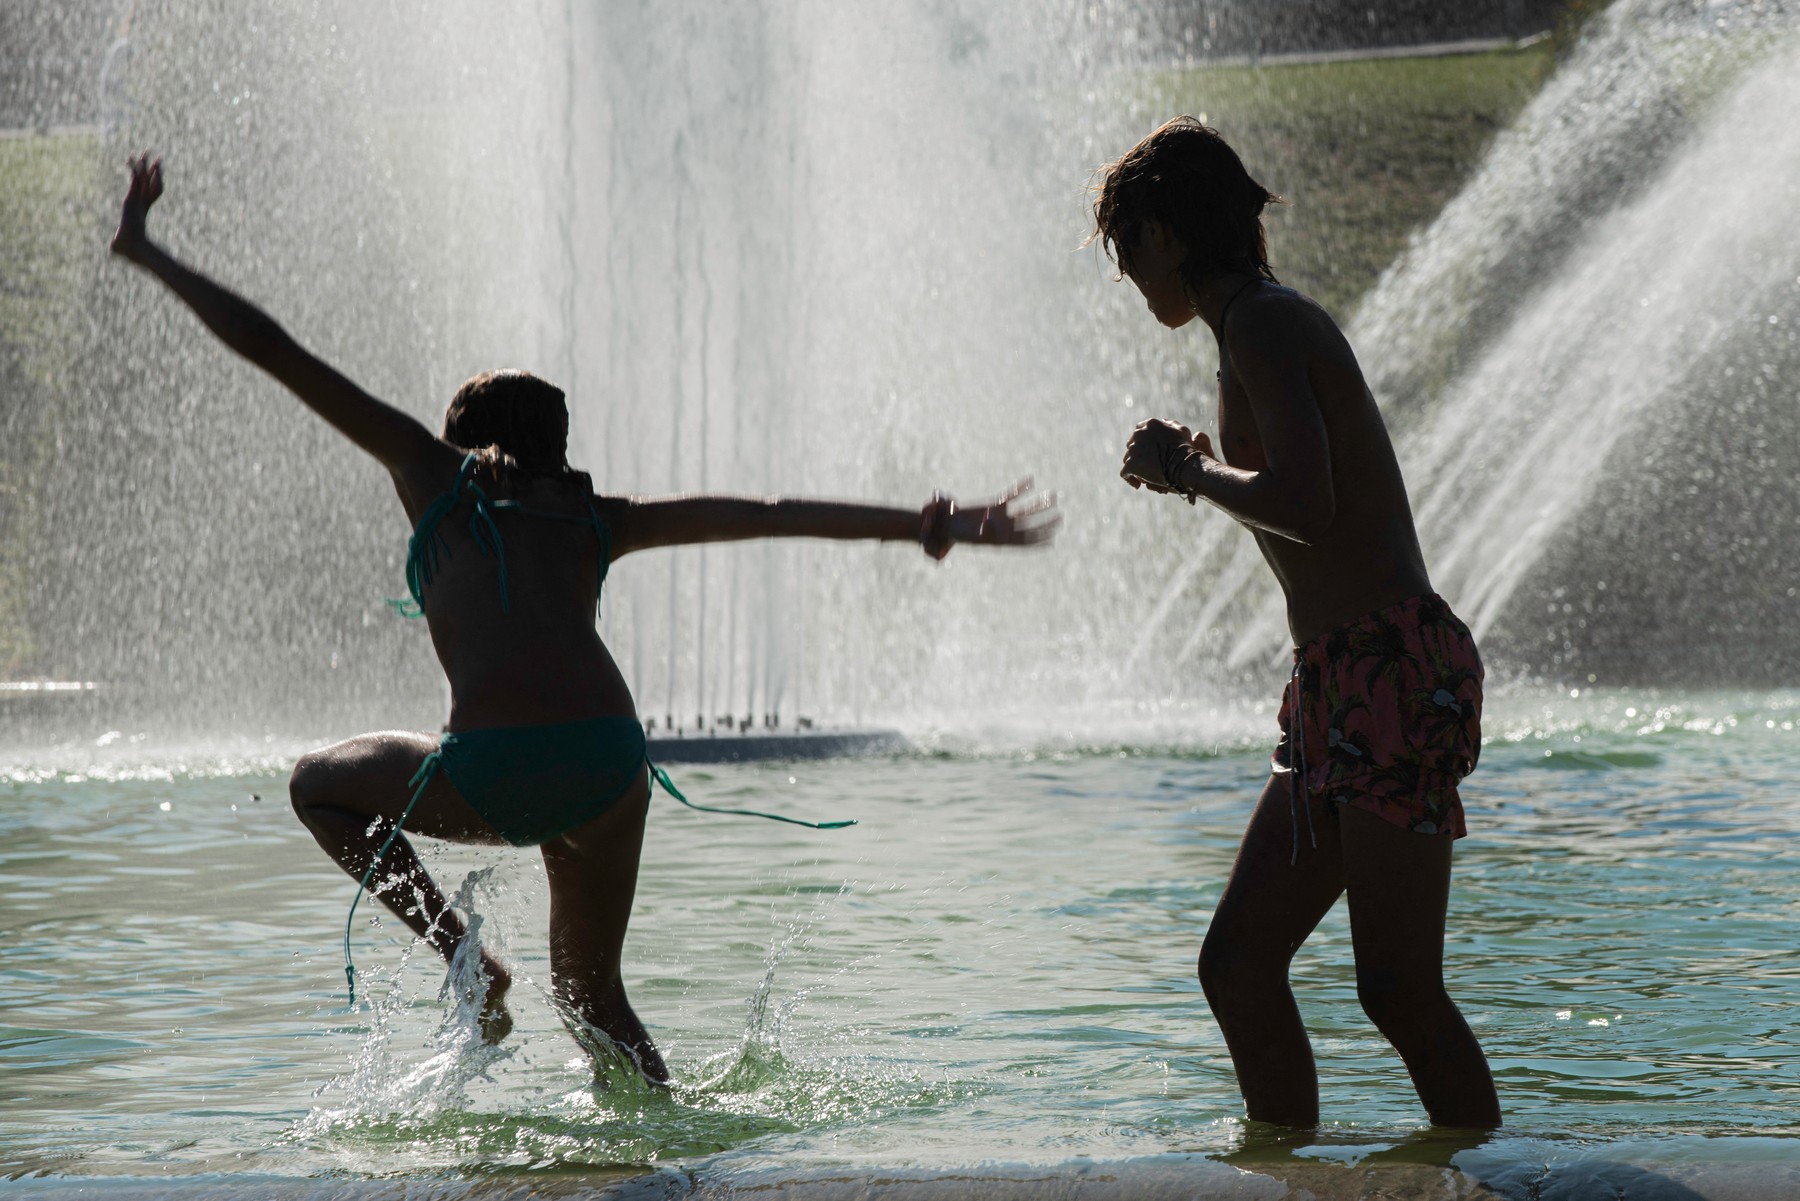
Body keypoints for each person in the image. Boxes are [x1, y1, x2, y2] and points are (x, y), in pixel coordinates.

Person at [110, 154, 1057, 1084]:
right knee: (593, 999)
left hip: (493, 770)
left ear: (461, 440)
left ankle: (465, 958)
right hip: (610, 767)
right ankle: (664, 1153)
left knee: (319, 784)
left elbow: (277, 350)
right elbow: (770, 514)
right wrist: (936, 526)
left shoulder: (434, 476)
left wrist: (151, 253)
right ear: (557, 445)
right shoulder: (600, 517)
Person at [1093, 117, 1499, 1129]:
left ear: (1172, 233)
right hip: (1335, 676)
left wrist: (1189, 468)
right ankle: (1284, 1167)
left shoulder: (1266, 324)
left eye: (1129, 245)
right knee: (1237, 962)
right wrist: (1199, 473)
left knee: (1396, 987)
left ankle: (1489, 1172)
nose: (1127, 272)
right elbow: (1299, 498)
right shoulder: (1244, 335)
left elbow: (1308, 503)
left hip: (1392, 667)